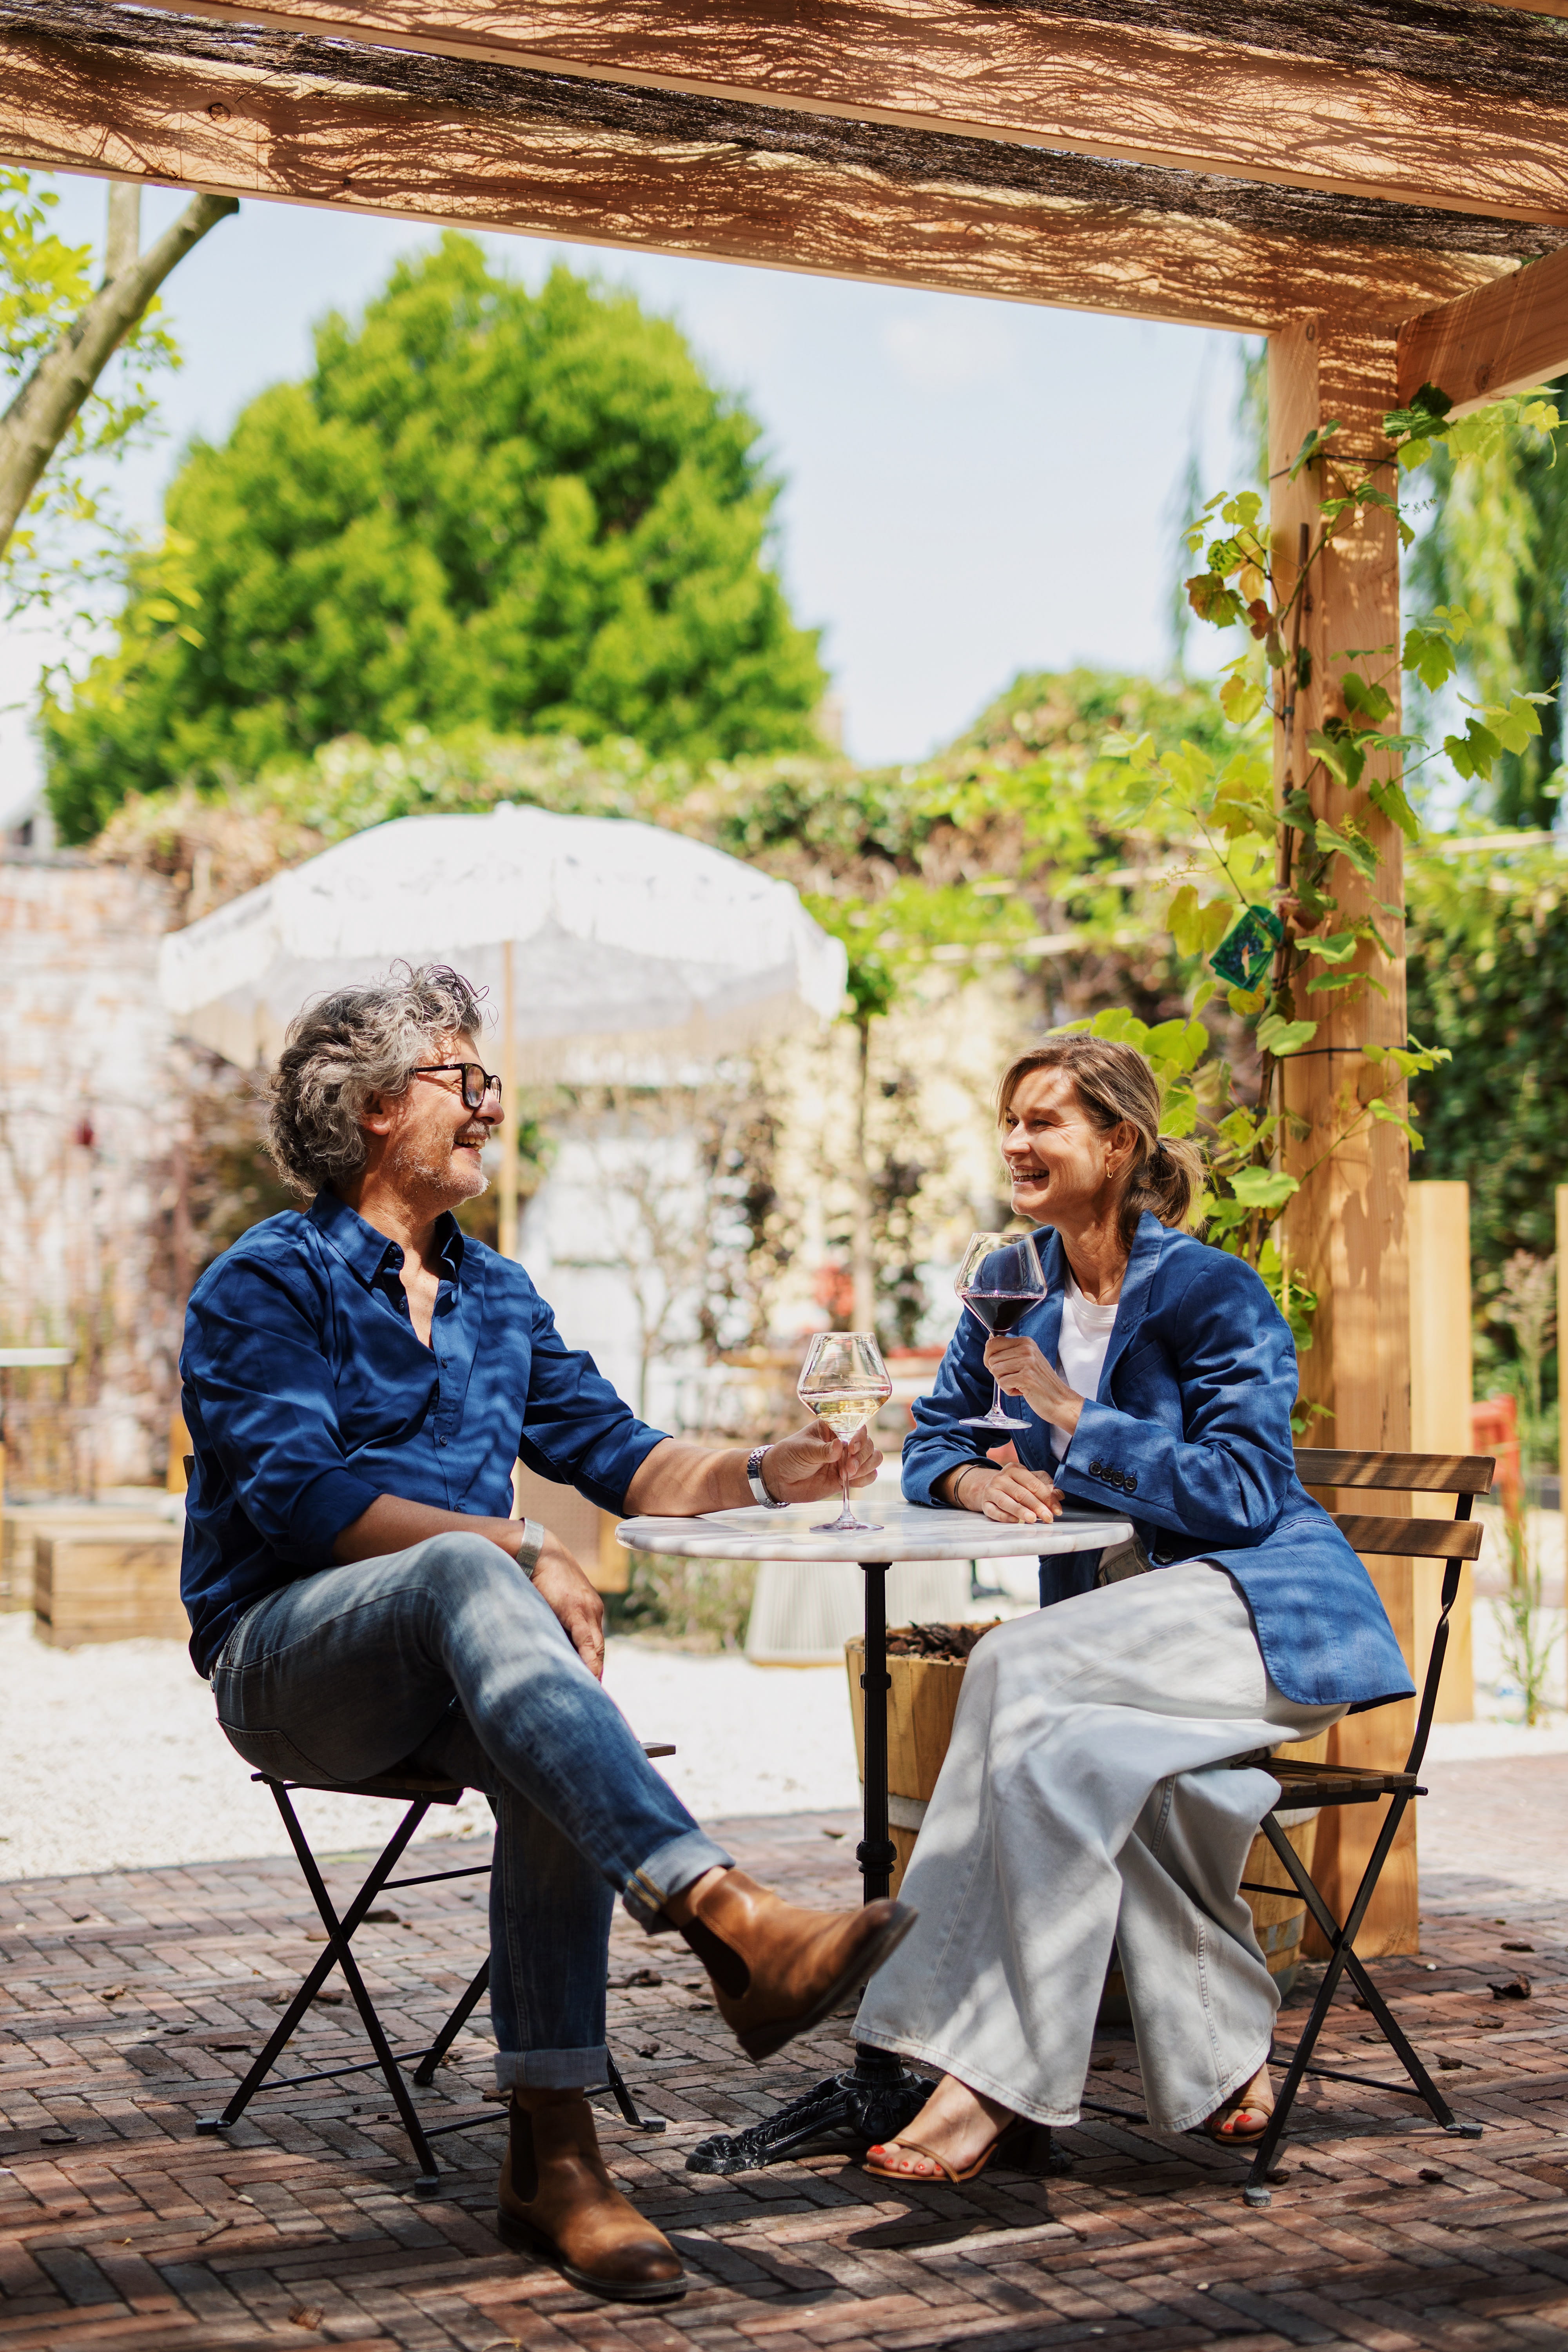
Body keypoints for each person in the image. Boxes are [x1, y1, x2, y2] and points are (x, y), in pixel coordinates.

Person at [179, 964, 913, 2305]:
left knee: (549, 1733)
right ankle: (724, 1914)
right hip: (287, 1658)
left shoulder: (497, 1295)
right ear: (376, 1105)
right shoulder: (262, 1284)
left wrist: (768, 1469)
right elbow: (297, 1498)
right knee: (476, 1570)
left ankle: (557, 2163)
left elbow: (621, 1455)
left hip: (466, 1655)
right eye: (468, 1079)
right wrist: (511, 1543)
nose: (492, 1104)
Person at [853, 1034, 1414, 2183]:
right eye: (1009, 1120)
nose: (1016, 1142)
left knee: (1011, 1667)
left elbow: (1249, 1490)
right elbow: (938, 1435)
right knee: (1070, 1767)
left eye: (1044, 1121)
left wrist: (1070, 1416)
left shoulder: (1211, 1292)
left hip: (1259, 1616)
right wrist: (969, 1476)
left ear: (1120, 1142)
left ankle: (965, 2069)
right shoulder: (1012, 1285)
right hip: (1121, 1653)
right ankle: (1216, 2062)